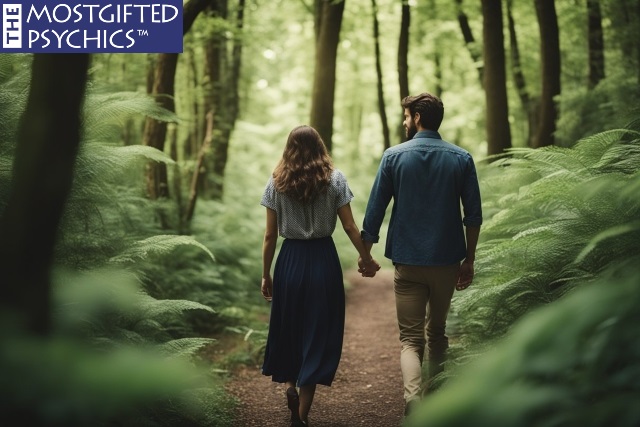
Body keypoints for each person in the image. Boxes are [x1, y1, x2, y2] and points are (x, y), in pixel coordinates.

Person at [359, 92, 482, 416]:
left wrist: (366, 254)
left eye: (405, 116)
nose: (403, 121)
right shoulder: (461, 158)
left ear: (416, 117)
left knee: (411, 340)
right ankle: (437, 402)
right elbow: (473, 215)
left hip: (408, 262)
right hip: (446, 261)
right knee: (437, 333)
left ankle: (413, 399)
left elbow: (375, 211)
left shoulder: (393, 157)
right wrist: (469, 260)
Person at [260, 125, 380, 427]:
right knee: (318, 331)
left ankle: (289, 387)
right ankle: (301, 415)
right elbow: (351, 227)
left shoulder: (276, 183)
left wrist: (266, 274)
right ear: (319, 147)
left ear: (289, 148)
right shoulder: (334, 179)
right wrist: (366, 258)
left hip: (289, 259)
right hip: (323, 260)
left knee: (288, 326)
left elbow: (269, 235)